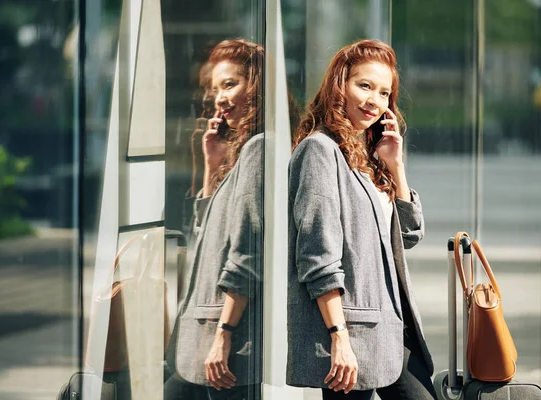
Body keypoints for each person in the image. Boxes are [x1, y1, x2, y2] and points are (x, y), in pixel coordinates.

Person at [286, 39, 437, 400]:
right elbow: (317, 255)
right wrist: (339, 337)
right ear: (340, 85)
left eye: (384, 92)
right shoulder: (320, 151)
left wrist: (395, 168)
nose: (374, 100)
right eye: (364, 85)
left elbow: (409, 236)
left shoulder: (368, 158)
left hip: (391, 328)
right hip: (352, 333)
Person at [164, 38, 264, 400]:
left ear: (256, 86)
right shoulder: (241, 152)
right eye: (215, 88)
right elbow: (206, 237)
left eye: (230, 84)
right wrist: (212, 168)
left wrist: (224, 334)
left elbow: (248, 254)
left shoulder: (259, 149)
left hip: (229, 338)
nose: (219, 97)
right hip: (207, 332)